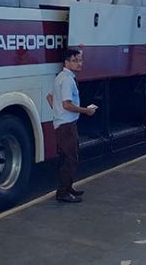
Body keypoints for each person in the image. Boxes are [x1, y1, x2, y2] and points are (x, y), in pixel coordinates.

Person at [47, 48, 97, 203]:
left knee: (65, 158)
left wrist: (57, 113)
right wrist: (86, 111)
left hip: (62, 122)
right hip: (67, 125)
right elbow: (67, 104)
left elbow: (49, 97)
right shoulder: (68, 80)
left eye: (80, 60)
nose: (79, 63)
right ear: (66, 62)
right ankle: (63, 192)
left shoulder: (60, 77)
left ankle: (68, 187)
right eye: (75, 60)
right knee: (71, 159)